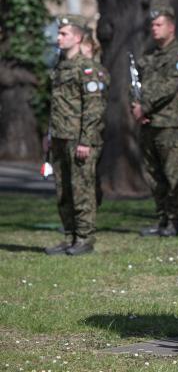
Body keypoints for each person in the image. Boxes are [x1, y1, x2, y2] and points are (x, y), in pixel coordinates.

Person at [44, 14, 105, 256]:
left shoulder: (86, 68)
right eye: (59, 33)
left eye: (64, 34)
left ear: (78, 38)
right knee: (63, 191)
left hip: (77, 139)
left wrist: (86, 140)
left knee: (81, 189)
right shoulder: (60, 66)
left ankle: (85, 238)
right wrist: (48, 134)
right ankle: (69, 236)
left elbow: (94, 107)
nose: (58, 37)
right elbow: (56, 105)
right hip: (59, 136)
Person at [133, 6, 178, 237]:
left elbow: (170, 87)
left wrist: (144, 106)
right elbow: (136, 86)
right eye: (152, 25)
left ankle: (176, 222)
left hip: (170, 125)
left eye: (159, 25)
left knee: (173, 175)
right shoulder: (149, 57)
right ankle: (161, 219)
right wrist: (136, 106)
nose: (154, 29)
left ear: (171, 27)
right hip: (149, 124)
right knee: (154, 176)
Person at [80, 30, 110, 207]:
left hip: (93, 132)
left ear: (91, 47)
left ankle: (87, 215)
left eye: (82, 45)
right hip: (74, 130)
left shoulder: (97, 72)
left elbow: (96, 104)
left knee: (88, 176)